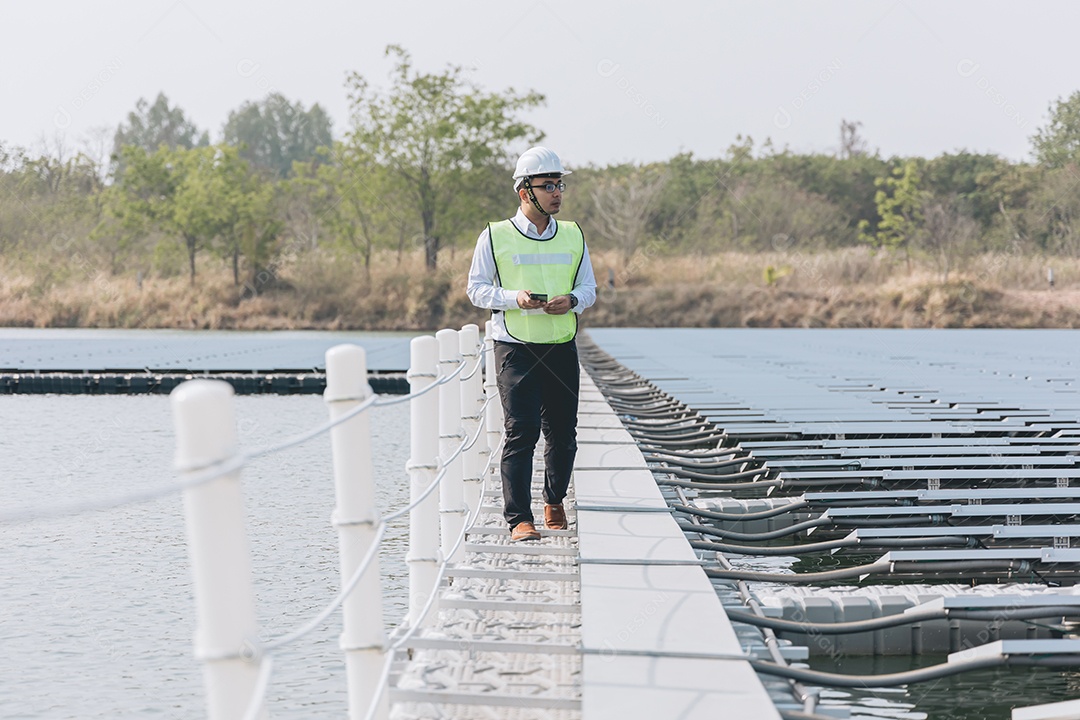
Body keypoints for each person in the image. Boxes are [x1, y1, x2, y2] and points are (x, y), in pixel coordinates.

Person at [466, 146, 597, 542]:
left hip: (560, 344)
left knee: (563, 432)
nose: (557, 192)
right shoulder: (494, 236)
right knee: (521, 430)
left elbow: (588, 288)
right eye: (549, 185)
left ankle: (554, 499)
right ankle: (518, 519)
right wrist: (513, 299)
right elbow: (476, 290)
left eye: (560, 184)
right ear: (525, 191)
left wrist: (572, 301)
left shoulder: (574, 234)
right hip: (514, 347)